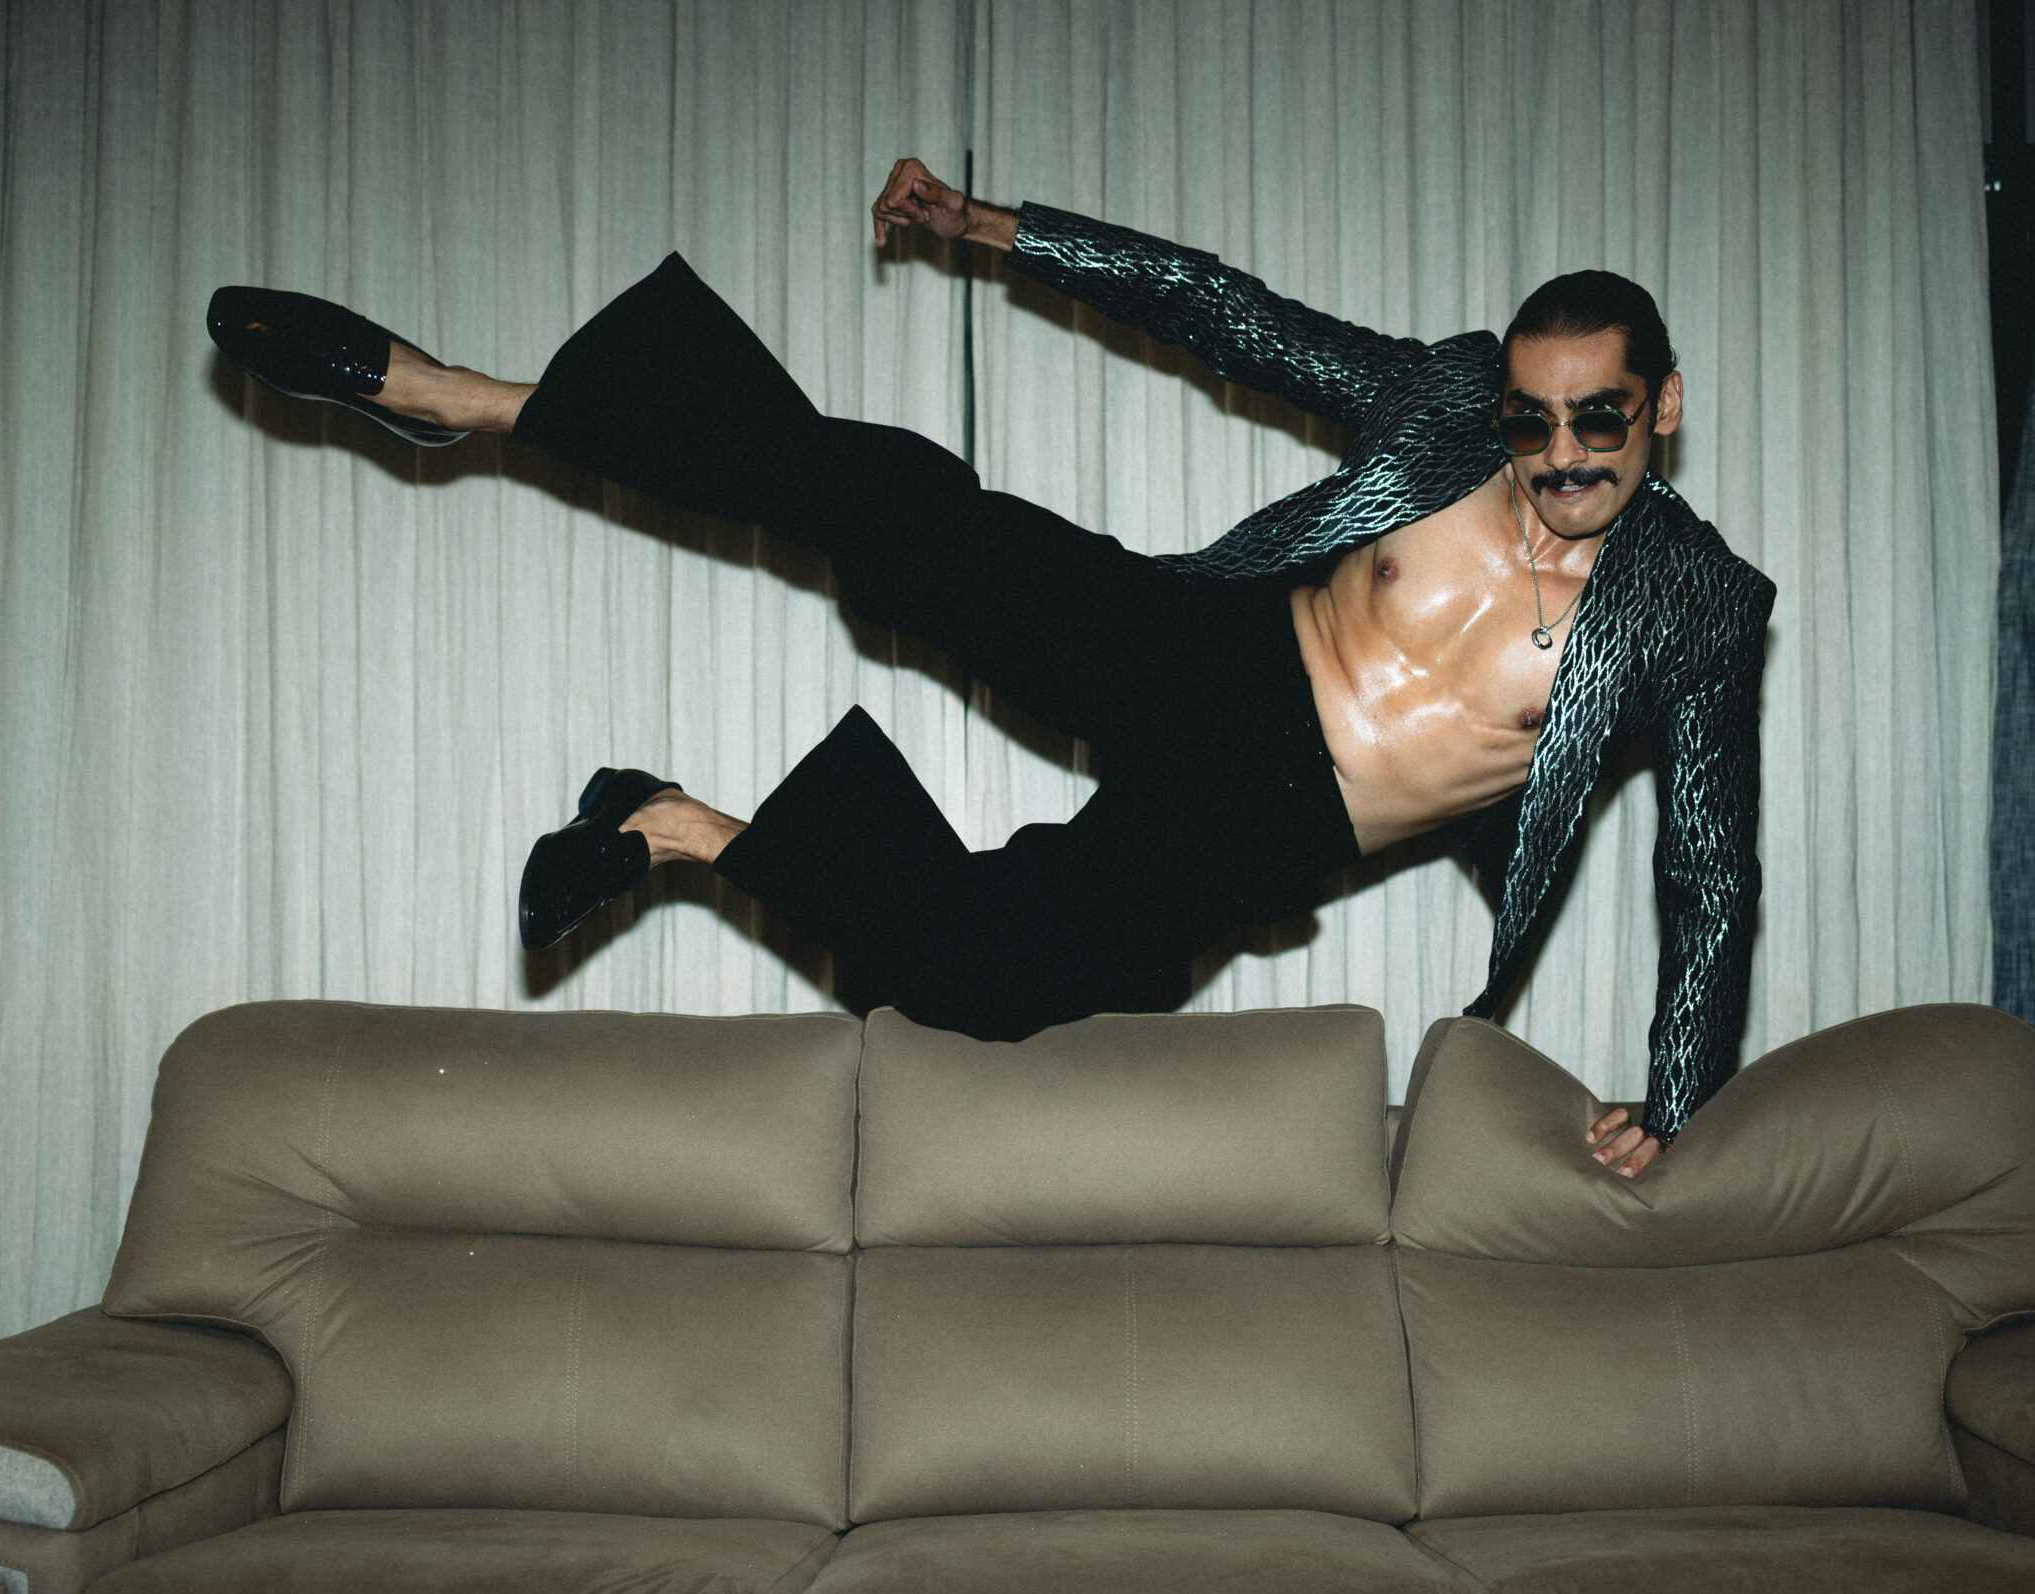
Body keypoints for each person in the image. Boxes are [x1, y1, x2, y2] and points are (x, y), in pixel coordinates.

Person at [204, 159, 1772, 1174]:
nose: (1560, 455)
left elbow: (1708, 872)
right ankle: (465, 397)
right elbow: (1229, 316)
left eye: (1600, 419)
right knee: (901, 516)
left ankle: (669, 825)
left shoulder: (1695, 612)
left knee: (986, 981)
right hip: (1205, 653)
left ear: (1666, 404)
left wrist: (1679, 1095)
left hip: (1275, 823)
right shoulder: (1443, 410)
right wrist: (992, 229)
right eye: (1532, 420)